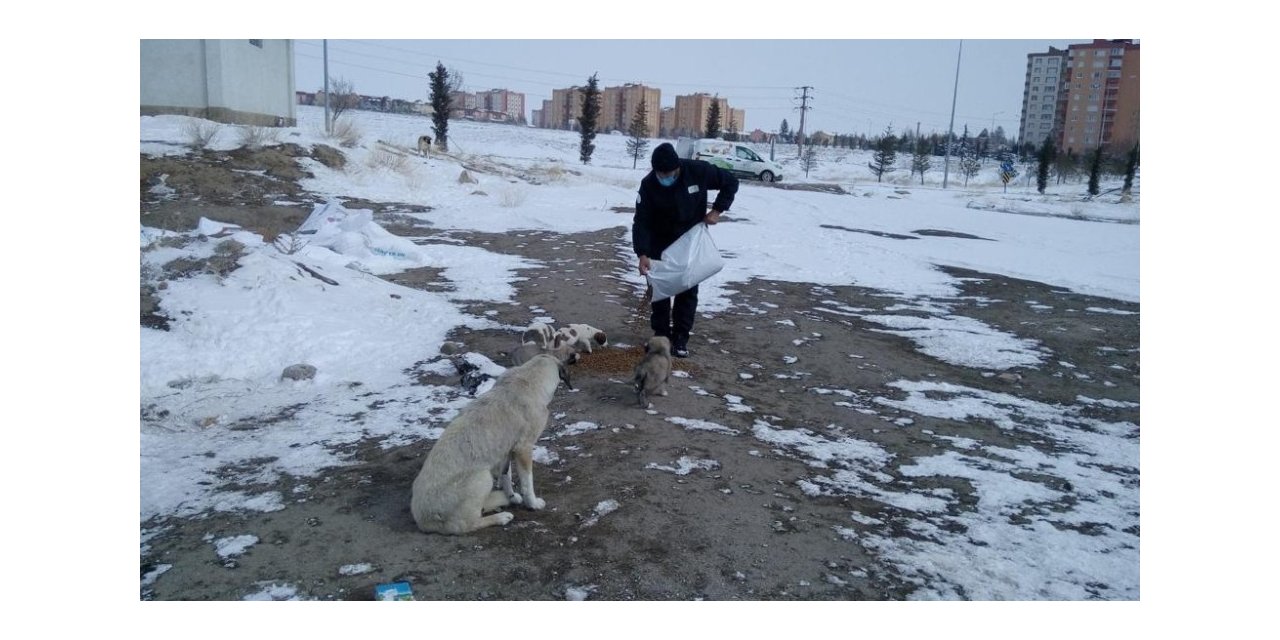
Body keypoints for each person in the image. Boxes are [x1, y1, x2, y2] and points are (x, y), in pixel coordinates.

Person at [632, 142, 739, 358]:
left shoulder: (698, 171)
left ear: (678, 167)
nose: (665, 178)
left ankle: (681, 338)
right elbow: (641, 221)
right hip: (659, 245)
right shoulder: (649, 185)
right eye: (660, 174)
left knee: (687, 292)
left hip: (689, 243)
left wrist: (717, 210)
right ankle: (661, 338)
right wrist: (642, 253)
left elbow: (731, 182)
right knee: (659, 292)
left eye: (669, 174)